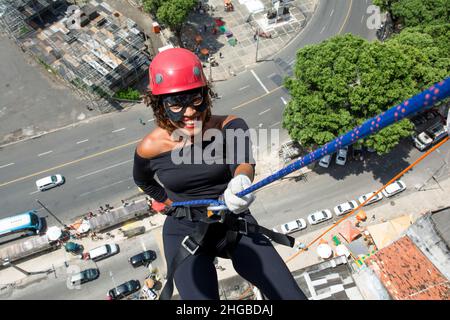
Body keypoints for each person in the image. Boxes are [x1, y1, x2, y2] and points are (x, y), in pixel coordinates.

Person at [133, 48, 306, 300]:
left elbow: (243, 162)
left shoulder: (229, 126)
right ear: (161, 106)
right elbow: (142, 180)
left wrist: (241, 181)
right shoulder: (150, 148)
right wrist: (169, 202)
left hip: (233, 220)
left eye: (195, 99)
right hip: (184, 229)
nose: (190, 112)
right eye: (176, 104)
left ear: (206, 95)